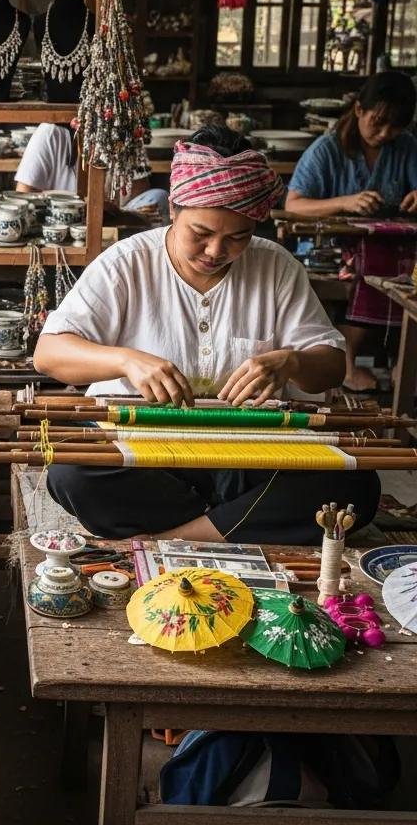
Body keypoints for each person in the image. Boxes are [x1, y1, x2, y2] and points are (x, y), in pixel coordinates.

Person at [33, 125, 380, 545]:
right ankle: (237, 523)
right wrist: (126, 360)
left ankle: (176, 537)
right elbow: (49, 353)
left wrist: (292, 362)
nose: (216, 251)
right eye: (200, 234)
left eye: (237, 237)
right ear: (173, 210)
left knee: (356, 485)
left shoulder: (277, 267)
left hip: (251, 454)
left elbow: (331, 366)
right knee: (72, 473)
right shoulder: (125, 264)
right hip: (147, 453)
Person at [285, 71, 417, 393]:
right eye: (378, 122)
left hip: (395, 247)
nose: (384, 133)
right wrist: (345, 202)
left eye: (395, 127)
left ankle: (405, 361)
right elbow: (294, 204)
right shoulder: (325, 150)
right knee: (372, 266)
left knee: (400, 269)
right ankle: (347, 360)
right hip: (331, 249)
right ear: (359, 109)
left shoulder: (406, 147)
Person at [14, 121, 170, 220]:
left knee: (159, 197)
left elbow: (141, 195)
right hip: (61, 217)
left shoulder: (123, 131)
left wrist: (117, 211)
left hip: (113, 217)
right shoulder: (51, 133)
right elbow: (23, 195)